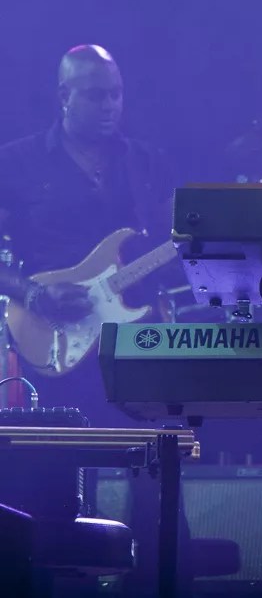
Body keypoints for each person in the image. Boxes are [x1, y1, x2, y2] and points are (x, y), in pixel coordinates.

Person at [0, 44, 189, 597]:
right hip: (50, 344)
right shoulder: (17, 161)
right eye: (95, 95)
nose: (109, 106)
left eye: (116, 94)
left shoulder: (147, 163)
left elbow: (176, 242)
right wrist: (33, 293)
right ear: (64, 96)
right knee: (49, 490)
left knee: (159, 473)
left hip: (135, 343)